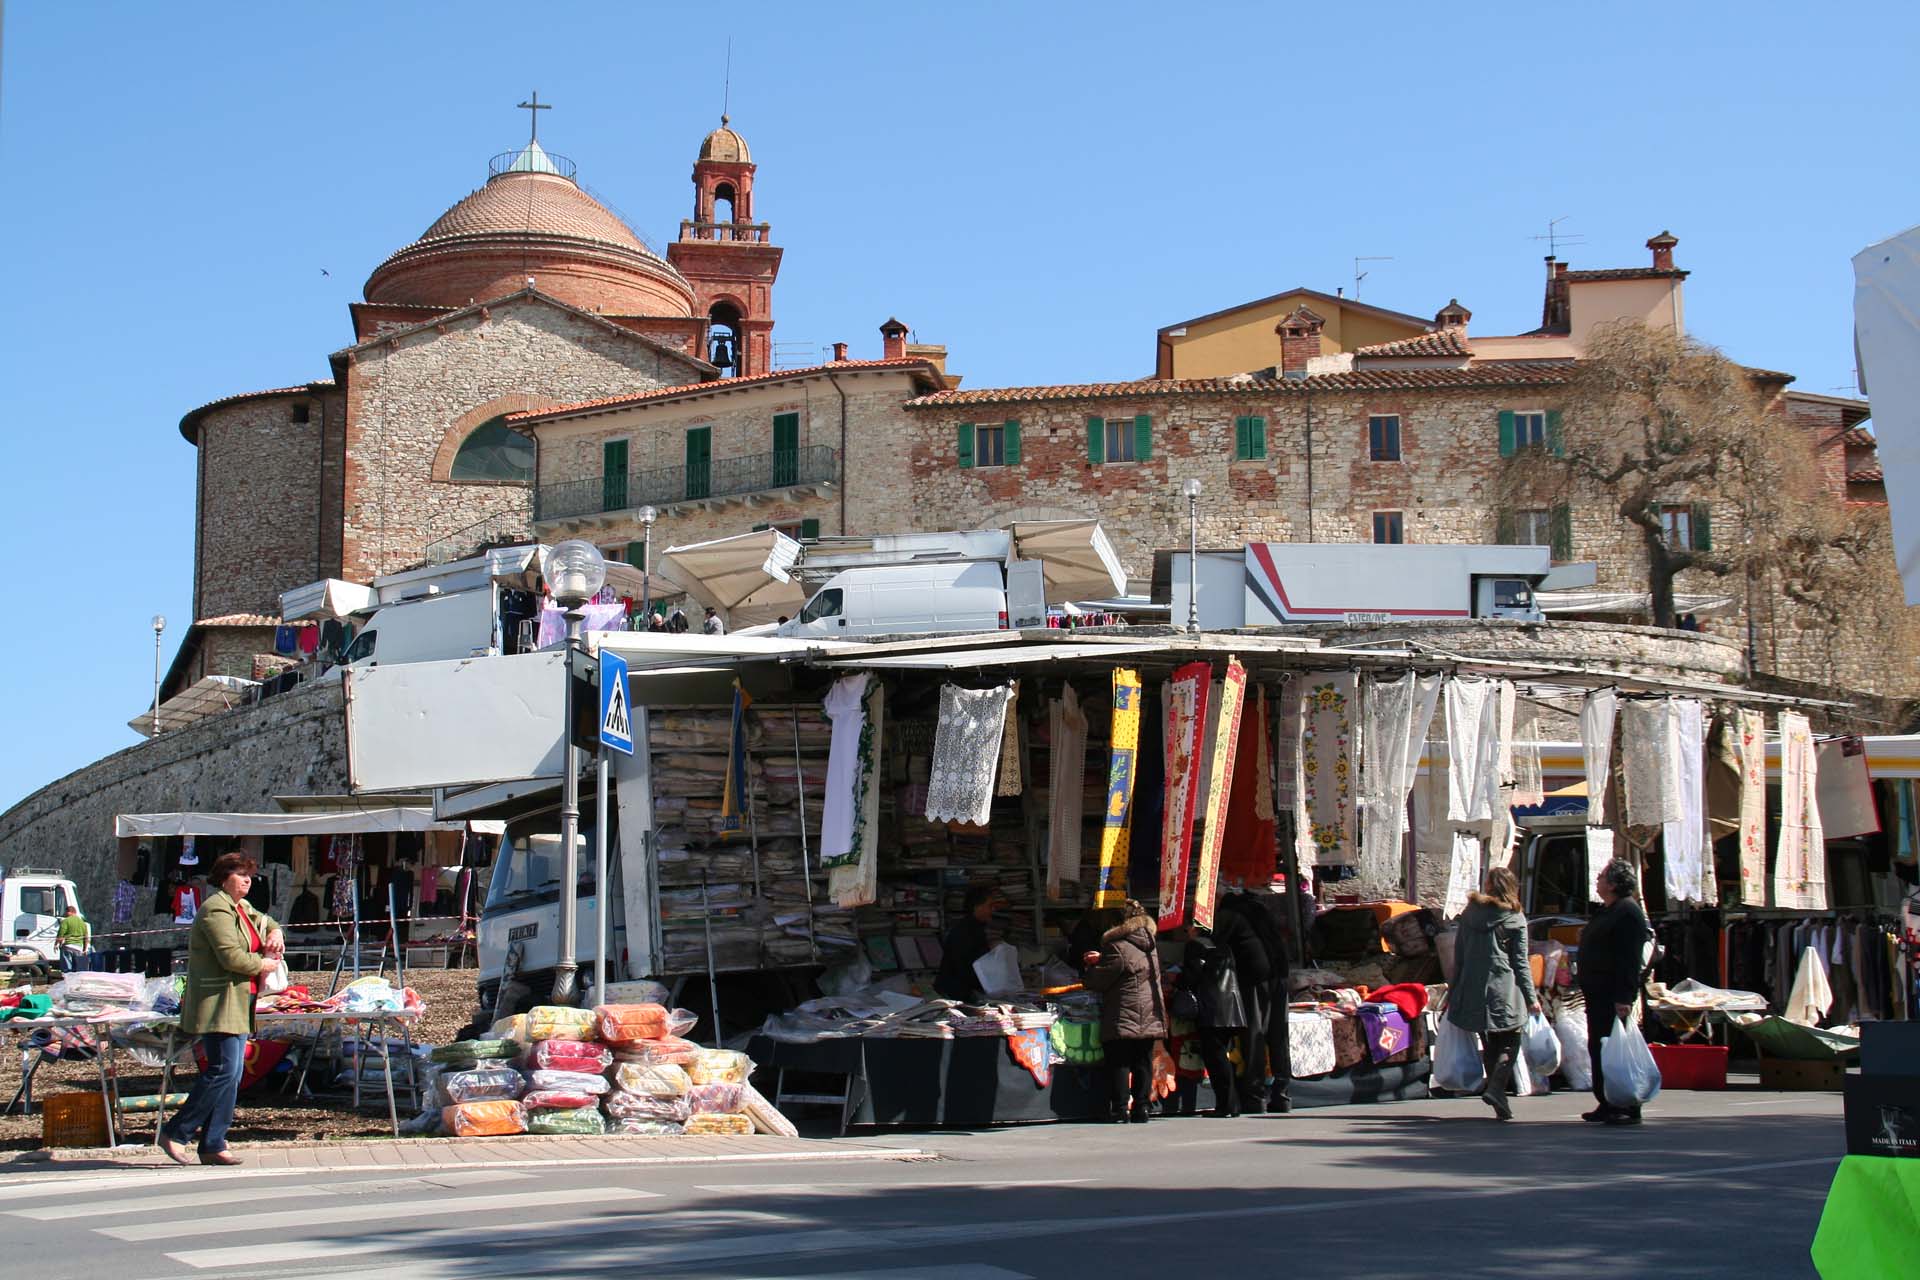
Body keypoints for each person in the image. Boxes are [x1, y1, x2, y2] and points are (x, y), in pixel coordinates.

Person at [158, 852, 285, 1167]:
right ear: (224, 877)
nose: (248, 881)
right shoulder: (216, 909)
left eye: (249, 875)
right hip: (219, 1003)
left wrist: (276, 930)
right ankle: (177, 1131)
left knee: (233, 1073)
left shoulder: (241, 908)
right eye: (241, 874)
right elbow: (231, 957)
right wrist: (264, 963)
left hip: (240, 1002)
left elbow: (263, 919)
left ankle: (214, 1142)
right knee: (223, 1071)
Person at [1446, 867, 1541, 1121]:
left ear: (1488, 886)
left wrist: (1454, 990)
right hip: (1504, 987)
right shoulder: (1514, 917)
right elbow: (1520, 962)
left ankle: (1500, 1100)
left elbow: (1460, 956)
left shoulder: (1469, 914)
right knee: (1511, 1038)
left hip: (1473, 986)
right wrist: (1531, 998)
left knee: (1489, 1040)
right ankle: (1497, 1087)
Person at [1580, 857, 1653, 1126]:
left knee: (1614, 1050)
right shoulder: (1609, 910)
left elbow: (1629, 959)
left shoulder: (1628, 913)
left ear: (1612, 884)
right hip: (1597, 994)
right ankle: (1607, 1100)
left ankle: (1625, 1102)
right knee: (1600, 1048)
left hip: (1612, 995)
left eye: (1601, 877)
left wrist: (1625, 997)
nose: (1597, 881)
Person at [1080, 899, 1166, 1123]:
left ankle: (1119, 1108)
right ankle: (1142, 1107)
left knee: (1119, 1060)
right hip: (1149, 1011)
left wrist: (1090, 969)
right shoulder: (1150, 943)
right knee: (1143, 1060)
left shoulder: (1116, 945)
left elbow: (1101, 979)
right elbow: (1132, 966)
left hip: (1123, 1010)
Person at [1220, 889, 1293, 1113]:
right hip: (1278, 973)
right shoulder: (1259, 911)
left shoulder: (1229, 914)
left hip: (1255, 976)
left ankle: (1255, 1095)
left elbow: (1213, 941)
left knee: (1255, 1033)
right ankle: (1282, 1094)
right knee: (1278, 1033)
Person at [1179, 922, 1247, 1116]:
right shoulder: (1223, 945)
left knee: (1216, 1058)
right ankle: (1231, 1103)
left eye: (1188, 928)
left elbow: (1191, 975)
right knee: (1223, 1057)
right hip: (1230, 1005)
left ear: (1196, 928)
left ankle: (1226, 1104)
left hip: (1212, 1007)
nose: (1186, 932)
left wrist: (1177, 980)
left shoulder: (1195, 945)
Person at [933, 886, 1004, 1002]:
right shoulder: (965, 931)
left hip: (963, 991)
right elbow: (966, 968)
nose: (993, 910)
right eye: (990, 906)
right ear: (977, 906)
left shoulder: (976, 928)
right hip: (956, 994)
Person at [56, 906, 91, 973]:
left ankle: (67, 981)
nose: (65, 914)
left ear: (69, 912)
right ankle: (74, 982)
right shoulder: (82, 923)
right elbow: (86, 937)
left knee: (67, 970)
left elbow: (60, 934)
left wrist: (56, 944)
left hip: (67, 947)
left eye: (66, 912)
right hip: (78, 949)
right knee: (76, 970)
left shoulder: (66, 921)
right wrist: (84, 949)